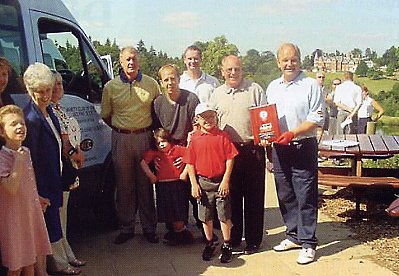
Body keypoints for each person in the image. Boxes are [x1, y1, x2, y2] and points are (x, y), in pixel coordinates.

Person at [265, 43, 324, 265]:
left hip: (302, 145)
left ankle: (308, 243)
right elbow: (265, 119)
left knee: (305, 195)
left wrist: (292, 133)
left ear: (299, 60)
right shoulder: (272, 87)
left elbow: (316, 119)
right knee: (285, 193)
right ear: (278, 62)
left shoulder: (310, 85)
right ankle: (293, 235)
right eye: (285, 60)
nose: (289, 64)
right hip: (279, 147)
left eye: (293, 59)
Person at [23, 63, 81, 275]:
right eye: (40, 91)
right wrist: (36, 192)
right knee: (48, 226)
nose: (46, 95)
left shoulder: (48, 112)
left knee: (55, 223)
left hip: (54, 177)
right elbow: (30, 159)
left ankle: (59, 262)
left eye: (48, 90)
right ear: (30, 91)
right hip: (43, 182)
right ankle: (56, 266)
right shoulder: (31, 118)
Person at [101, 46, 160, 245]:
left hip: (144, 138)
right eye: (127, 59)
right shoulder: (111, 87)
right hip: (121, 138)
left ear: (139, 60)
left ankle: (149, 228)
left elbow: (157, 111)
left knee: (144, 184)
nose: (131, 62)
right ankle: (126, 227)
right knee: (124, 185)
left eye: (134, 58)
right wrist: (122, 129)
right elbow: (106, 115)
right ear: (120, 61)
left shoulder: (151, 84)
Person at [209, 54, 266, 255]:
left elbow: (265, 120)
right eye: (229, 70)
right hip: (228, 153)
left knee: (254, 198)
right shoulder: (216, 94)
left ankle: (253, 241)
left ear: (242, 69)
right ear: (222, 71)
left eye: (237, 69)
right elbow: (209, 121)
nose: (234, 73)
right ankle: (233, 237)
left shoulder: (255, 90)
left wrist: (266, 139)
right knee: (230, 197)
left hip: (252, 149)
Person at [0, 105, 52, 276]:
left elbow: (28, 184)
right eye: (13, 124)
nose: (20, 127)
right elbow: (11, 188)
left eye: (22, 123)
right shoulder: (4, 157)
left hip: (29, 214)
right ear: (2, 132)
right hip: (13, 219)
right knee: (16, 266)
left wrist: (37, 197)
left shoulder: (25, 152)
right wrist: (18, 161)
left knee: (30, 261)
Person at [184, 103, 238, 263]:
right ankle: (210, 242)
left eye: (211, 116)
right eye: (204, 117)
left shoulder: (222, 136)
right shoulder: (194, 138)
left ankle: (227, 244)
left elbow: (230, 158)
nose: (208, 120)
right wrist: (194, 184)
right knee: (205, 216)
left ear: (216, 117)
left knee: (224, 215)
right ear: (197, 120)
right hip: (203, 183)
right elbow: (190, 163)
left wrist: (226, 180)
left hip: (220, 182)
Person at [48, 72, 87, 272]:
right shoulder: (50, 112)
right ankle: (60, 262)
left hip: (68, 167)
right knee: (58, 215)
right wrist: (75, 153)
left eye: (60, 84)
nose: (57, 88)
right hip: (60, 168)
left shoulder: (59, 109)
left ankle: (67, 254)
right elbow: (63, 142)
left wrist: (77, 151)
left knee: (64, 214)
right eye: (52, 85)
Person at [140, 128, 193, 245]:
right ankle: (175, 232)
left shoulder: (177, 149)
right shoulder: (155, 153)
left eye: (164, 141)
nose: (161, 145)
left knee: (178, 210)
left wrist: (184, 173)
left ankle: (181, 232)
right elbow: (143, 163)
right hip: (163, 186)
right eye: (158, 143)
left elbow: (190, 158)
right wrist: (151, 176)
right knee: (168, 210)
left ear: (170, 140)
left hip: (176, 185)